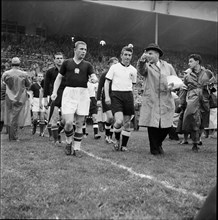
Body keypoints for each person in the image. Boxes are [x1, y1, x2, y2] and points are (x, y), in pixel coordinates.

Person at [51, 41, 98, 157]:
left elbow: (93, 76)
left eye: (85, 50)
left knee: (79, 123)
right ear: (75, 50)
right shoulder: (67, 63)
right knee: (68, 123)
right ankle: (68, 142)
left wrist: (94, 79)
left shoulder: (88, 65)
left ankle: (77, 149)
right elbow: (59, 78)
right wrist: (54, 92)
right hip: (69, 93)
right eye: (81, 49)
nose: (83, 51)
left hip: (83, 94)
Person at [137, 43, 177, 155]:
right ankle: (154, 148)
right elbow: (141, 71)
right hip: (152, 98)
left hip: (166, 99)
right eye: (147, 53)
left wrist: (172, 86)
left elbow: (175, 79)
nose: (148, 55)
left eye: (150, 53)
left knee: (166, 125)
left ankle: (158, 143)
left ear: (157, 54)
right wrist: (141, 61)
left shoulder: (168, 66)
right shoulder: (147, 66)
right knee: (153, 124)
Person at [180, 54, 215, 152]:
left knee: (203, 121)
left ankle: (198, 139)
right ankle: (195, 143)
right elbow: (184, 89)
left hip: (204, 99)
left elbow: (213, 84)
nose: (188, 63)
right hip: (193, 98)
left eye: (191, 61)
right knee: (193, 119)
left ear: (197, 62)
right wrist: (182, 102)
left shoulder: (208, 73)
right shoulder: (187, 75)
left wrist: (210, 87)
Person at [104, 46, 137, 151]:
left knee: (127, 123)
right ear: (121, 55)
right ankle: (117, 140)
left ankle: (124, 146)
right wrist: (107, 96)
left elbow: (133, 86)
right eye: (125, 54)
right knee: (119, 121)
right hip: (116, 95)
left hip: (128, 96)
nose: (127, 57)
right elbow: (107, 82)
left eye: (129, 55)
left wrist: (134, 98)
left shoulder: (133, 70)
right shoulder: (114, 67)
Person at [1, 57, 31, 141]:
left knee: (10, 115)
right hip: (20, 97)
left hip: (9, 97)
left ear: (11, 63)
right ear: (19, 63)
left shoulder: (6, 73)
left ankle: (11, 135)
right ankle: (13, 136)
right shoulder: (24, 74)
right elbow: (28, 84)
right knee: (16, 117)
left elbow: (3, 84)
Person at [43, 52, 65, 144]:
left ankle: (58, 132)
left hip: (65, 97)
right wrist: (45, 99)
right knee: (54, 119)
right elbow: (46, 85)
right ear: (54, 60)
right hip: (54, 97)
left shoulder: (67, 71)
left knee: (65, 120)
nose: (59, 60)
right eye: (57, 58)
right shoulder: (50, 71)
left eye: (61, 58)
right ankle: (55, 140)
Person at [97, 57, 119, 143]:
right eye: (114, 63)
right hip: (106, 98)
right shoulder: (105, 74)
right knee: (110, 117)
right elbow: (100, 87)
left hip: (116, 98)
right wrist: (98, 99)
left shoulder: (118, 75)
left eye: (117, 64)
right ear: (109, 64)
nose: (115, 65)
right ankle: (107, 135)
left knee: (114, 119)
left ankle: (109, 136)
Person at [29, 72, 46, 136]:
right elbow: (31, 93)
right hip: (35, 100)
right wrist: (31, 101)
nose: (40, 77)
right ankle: (34, 127)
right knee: (35, 118)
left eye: (41, 76)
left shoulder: (45, 85)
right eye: (39, 76)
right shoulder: (33, 85)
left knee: (42, 118)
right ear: (36, 77)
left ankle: (41, 132)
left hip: (42, 101)